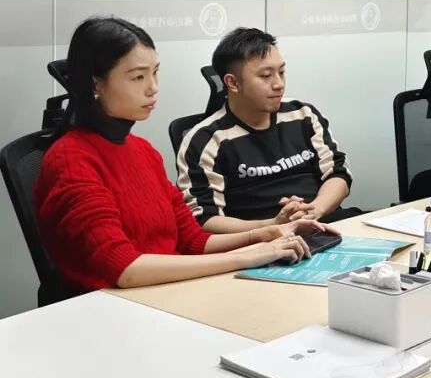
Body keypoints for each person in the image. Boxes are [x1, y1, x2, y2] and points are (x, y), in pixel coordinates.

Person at [34, 17, 333, 291]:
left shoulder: (142, 151)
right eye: (138, 77)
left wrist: (268, 231)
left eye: (155, 73)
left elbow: (192, 239)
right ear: (95, 83)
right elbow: (125, 269)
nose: (153, 88)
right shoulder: (70, 160)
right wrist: (250, 256)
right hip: (116, 306)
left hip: (169, 291)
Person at [177, 27, 356, 233]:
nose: (279, 84)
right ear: (232, 83)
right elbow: (204, 219)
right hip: (259, 241)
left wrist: (314, 211)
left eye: (282, 72)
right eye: (266, 76)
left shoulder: (303, 115)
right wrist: (273, 226)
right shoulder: (205, 140)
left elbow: (338, 174)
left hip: (325, 226)